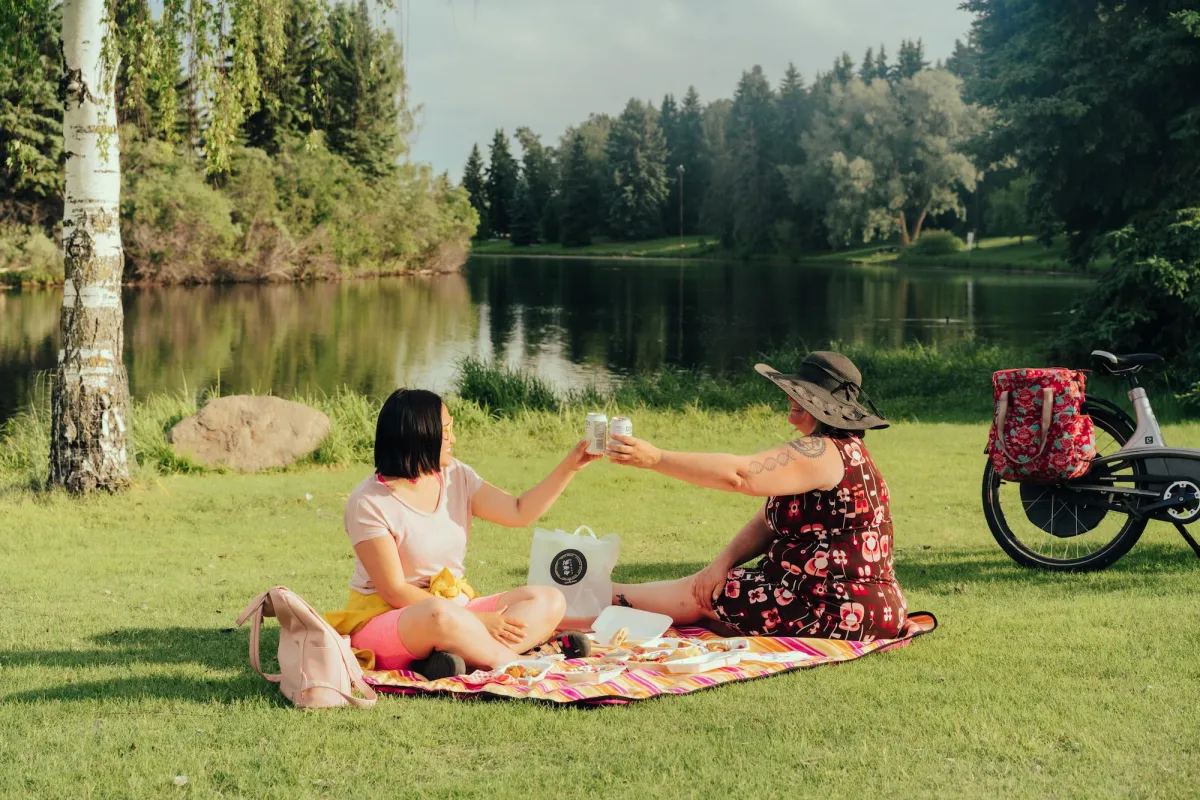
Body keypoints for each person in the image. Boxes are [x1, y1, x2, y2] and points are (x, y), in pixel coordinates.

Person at [605, 352, 906, 642]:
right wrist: (720, 564)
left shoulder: (822, 452)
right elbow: (768, 520)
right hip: (848, 602)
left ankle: (603, 596)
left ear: (824, 405)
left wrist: (655, 458)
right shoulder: (839, 448)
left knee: (704, 596)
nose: (790, 398)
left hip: (839, 607)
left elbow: (740, 476)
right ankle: (607, 595)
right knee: (709, 588)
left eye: (800, 393)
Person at [325, 388, 599, 680]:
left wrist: (571, 465)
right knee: (438, 616)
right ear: (421, 435)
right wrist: (476, 620)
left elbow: (519, 511)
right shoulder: (368, 502)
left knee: (549, 599)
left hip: (457, 609)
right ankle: (515, 662)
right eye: (445, 431)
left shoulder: (457, 476)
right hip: (392, 618)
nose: (453, 439)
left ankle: (451, 658)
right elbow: (394, 590)